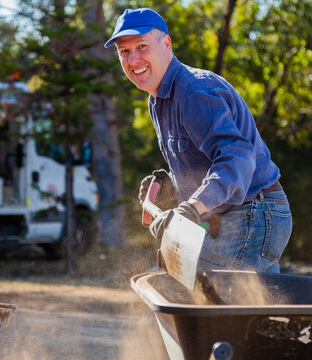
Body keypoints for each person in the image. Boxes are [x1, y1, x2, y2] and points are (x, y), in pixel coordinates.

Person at [105, 8, 292, 273]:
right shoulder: (158, 99)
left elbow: (236, 159)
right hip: (236, 213)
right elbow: (204, 161)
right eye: (124, 52)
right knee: (246, 302)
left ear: (166, 44)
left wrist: (190, 209)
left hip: (255, 211)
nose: (133, 59)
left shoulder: (193, 91)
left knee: (187, 284)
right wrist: (172, 184)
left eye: (142, 46)